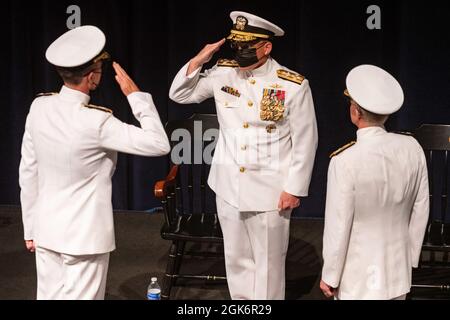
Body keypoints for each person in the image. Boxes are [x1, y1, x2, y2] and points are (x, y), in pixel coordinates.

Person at [169, 11, 318, 300]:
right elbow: (179, 95)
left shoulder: (292, 84)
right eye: (236, 45)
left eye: (247, 46)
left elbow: (305, 140)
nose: (240, 52)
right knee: (236, 259)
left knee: (269, 264)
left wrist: (294, 188)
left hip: (271, 189)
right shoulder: (223, 73)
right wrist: (200, 60)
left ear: (266, 47)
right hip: (227, 185)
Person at [19, 25, 170, 300]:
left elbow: (28, 171)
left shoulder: (38, 107)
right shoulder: (97, 122)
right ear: (92, 77)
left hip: (46, 230)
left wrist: (30, 227)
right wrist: (135, 96)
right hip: (84, 238)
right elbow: (159, 143)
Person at [320, 65, 429, 300]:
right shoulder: (412, 147)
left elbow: (338, 225)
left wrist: (330, 274)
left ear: (355, 112)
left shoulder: (345, 160)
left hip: (358, 274)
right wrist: (410, 257)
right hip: (397, 270)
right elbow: (421, 209)